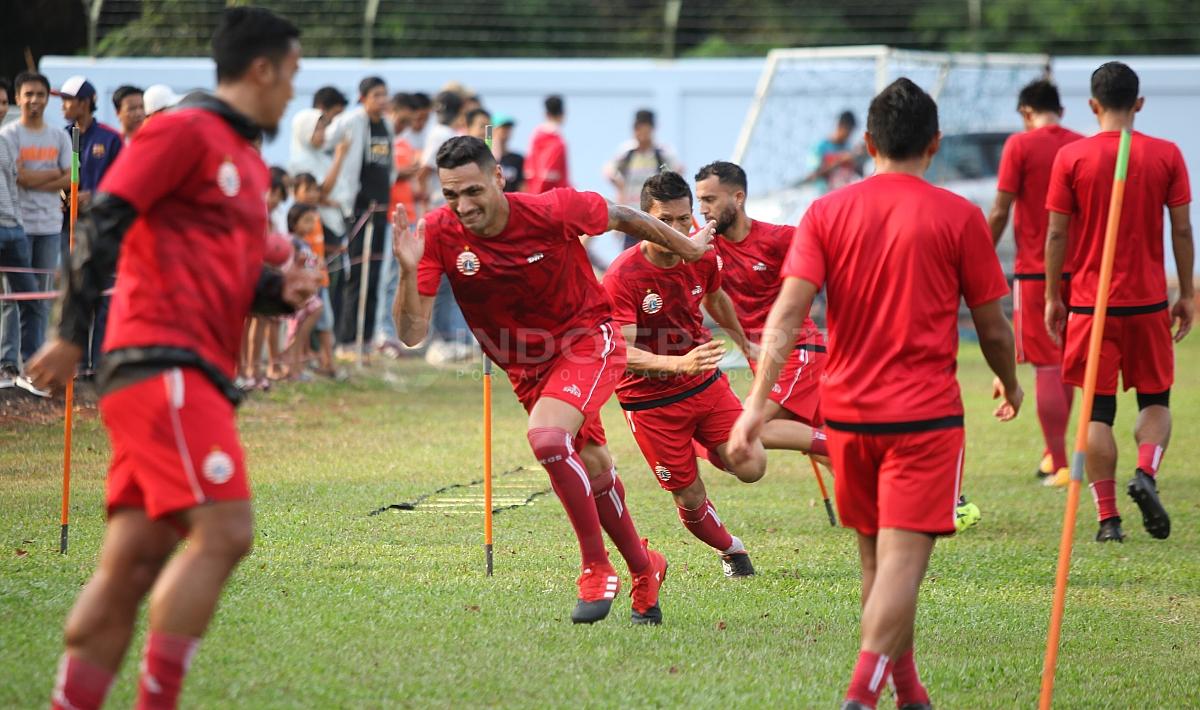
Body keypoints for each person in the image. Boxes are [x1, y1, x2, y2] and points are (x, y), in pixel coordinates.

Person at [28, 8, 317, 710]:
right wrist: (70, 331)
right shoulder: (184, 131)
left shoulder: (248, 163)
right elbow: (104, 216)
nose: (292, 95)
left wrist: (283, 291)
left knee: (130, 567)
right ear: (263, 70)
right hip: (164, 364)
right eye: (293, 78)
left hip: (186, 375)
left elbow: (231, 275)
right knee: (226, 530)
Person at [726, 78, 1021, 710]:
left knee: (875, 565)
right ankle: (861, 695)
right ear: (935, 144)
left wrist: (753, 407)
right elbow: (994, 325)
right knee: (904, 568)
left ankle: (908, 691)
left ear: (866, 143)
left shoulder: (827, 212)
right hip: (925, 419)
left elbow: (785, 315)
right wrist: (1012, 378)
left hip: (850, 420)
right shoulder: (960, 216)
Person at [392, 136, 715, 624]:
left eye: (473, 191)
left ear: (499, 179)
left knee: (547, 437)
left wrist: (687, 246)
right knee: (594, 463)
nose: (463, 205)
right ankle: (645, 568)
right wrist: (406, 271)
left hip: (589, 338)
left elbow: (625, 215)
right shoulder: (437, 233)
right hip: (527, 367)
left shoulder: (552, 209)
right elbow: (412, 334)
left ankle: (595, 565)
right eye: (451, 194)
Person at [1044, 61, 1193, 543]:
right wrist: (1187, 292)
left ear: (1093, 105)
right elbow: (1183, 229)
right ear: (1140, 104)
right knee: (1156, 401)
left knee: (1097, 413)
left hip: (1091, 306)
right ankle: (1145, 473)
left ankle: (1109, 521)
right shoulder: (1166, 153)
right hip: (1148, 304)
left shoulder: (1071, 157)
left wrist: (1052, 295)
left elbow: (1056, 233)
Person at [602, 171, 763, 577]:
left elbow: (716, 295)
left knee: (751, 465)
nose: (676, 230)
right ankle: (731, 549)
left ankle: (706, 445)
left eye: (683, 219)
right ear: (643, 221)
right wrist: (678, 363)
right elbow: (621, 352)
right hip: (650, 402)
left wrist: (745, 344)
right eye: (665, 221)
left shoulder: (702, 255)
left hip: (703, 385)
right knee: (689, 496)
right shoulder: (623, 276)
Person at [694, 161, 830, 460]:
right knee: (821, 447)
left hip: (797, 352)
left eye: (710, 199)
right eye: (699, 200)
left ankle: (854, 448)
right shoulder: (704, 247)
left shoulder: (778, 238)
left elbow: (832, 254)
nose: (702, 209)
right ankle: (879, 502)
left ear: (738, 198)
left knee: (749, 430)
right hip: (763, 359)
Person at [988, 79, 1084, 487]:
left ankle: (1061, 463)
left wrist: (978, 253)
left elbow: (1000, 209)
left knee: (1046, 363)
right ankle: (1053, 455)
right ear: (1060, 110)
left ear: (1026, 112)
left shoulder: (1019, 146)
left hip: (1035, 268)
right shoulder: (1080, 144)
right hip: (1080, 269)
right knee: (1065, 361)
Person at [0, 71, 71, 394]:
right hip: (17, 225)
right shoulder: (9, 135)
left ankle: (34, 364)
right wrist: (51, 176)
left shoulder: (59, 136)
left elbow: (70, 178)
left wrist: (36, 178)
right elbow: (19, 179)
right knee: (11, 299)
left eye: (40, 95)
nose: (34, 101)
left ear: (48, 99)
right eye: (28, 94)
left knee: (38, 298)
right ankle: (7, 361)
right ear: (18, 98)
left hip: (48, 227)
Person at [58, 75, 124, 378]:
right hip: (66, 226)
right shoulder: (63, 136)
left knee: (104, 297)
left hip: (102, 229)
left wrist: (92, 196)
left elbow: (123, 184)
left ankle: (97, 364)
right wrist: (63, 193)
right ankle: (76, 361)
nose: (64, 106)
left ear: (85, 102)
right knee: (73, 292)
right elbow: (60, 175)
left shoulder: (110, 139)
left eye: (69, 100)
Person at [330, 76, 394, 351]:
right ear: (363, 97)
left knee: (374, 275)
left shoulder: (386, 125)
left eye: (384, 95)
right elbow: (327, 142)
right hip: (358, 209)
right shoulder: (351, 122)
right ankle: (346, 340)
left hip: (381, 210)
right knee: (356, 275)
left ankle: (365, 339)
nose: (382, 100)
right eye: (376, 95)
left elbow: (387, 167)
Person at [0, 77, 38, 389]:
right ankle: (5, 365)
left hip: (14, 229)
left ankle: (31, 370)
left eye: (2, 103)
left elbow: (14, 183)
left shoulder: (5, 141)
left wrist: (18, 221)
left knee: (30, 299)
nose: (0, 109)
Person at [293, 174, 337, 376]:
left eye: (314, 189)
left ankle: (328, 362)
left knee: (326, 322)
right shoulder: (299, 219)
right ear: (295, 193)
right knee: (303, 322)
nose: (312, 194)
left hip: (322, 280)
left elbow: (317, 249)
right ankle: (301, 361)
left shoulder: (316, 215)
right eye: (307, 189)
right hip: (309, 283)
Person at [604, 110, 683, 212]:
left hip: (654, 210)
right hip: (629, 209)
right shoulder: (627, 152)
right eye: (638, 129)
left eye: (645, 130)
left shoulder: (662, 153)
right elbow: (609, 170)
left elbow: (677, 173)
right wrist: (620, 188)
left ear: (652, 130)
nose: (641, 134)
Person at [805, 110, 865, 193]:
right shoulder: (820, 148)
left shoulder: (849, 148)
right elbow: (814, 175)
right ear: (840, 126)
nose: (849, 136)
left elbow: (860, 175)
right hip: (823, 196)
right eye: (848, 132)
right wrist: (840, 160)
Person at [525, 94, 569, 193]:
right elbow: (549, 174)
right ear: (562, 114)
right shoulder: (555, 139)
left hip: (533, 191)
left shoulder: (536, 135)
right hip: (552, 195)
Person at [490, 113, 524, 193]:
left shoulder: (518, 159)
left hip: (511, 202)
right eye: (503, 128)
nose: (506, 131)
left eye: (509, 128)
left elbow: (522, 186)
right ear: (493, 130)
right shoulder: (485, 157)